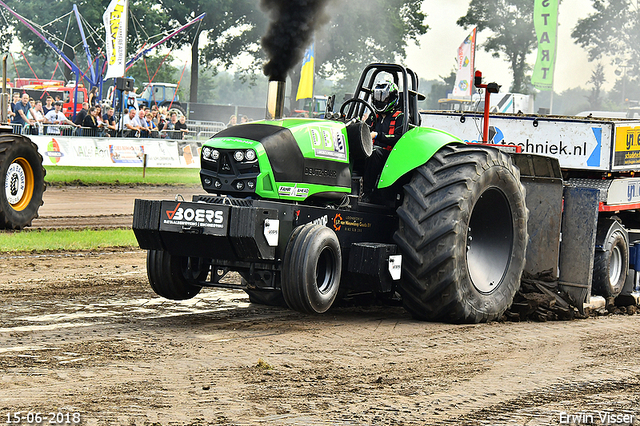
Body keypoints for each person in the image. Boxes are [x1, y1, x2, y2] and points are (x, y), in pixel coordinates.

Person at [362, 81, 405, 202]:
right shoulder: (373, 116)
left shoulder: (399, 117)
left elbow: (398, 138)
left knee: (374, 152)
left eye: (384, 99)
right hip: (370, 151)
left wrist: (377, 135)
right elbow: (365, 130)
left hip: (391, 156)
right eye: (378, 98)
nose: (381, 102)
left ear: (392, 99)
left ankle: (367, 193)